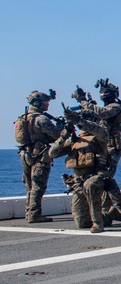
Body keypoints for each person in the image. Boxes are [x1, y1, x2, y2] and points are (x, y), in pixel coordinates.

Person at [76, 79, 121, 225]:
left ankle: (115, 208)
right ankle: (110, 209)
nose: (103, 94)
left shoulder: (116, 107)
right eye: (101, 92)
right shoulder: (110, 106)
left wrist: (84, 102)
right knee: (103, 177)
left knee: (105, 177)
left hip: (112, 146)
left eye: (106, 92)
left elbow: (102, 113)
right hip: (104, 145)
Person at [48, 107, 111, 233]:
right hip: (78, 181)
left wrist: (79, 120)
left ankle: (98, 224)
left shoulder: (101, 136)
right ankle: (110, 216)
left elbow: (96, 129)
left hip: (96, 178)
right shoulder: (74, 141)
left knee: (90, 185)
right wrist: (64, 135)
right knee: (82, 223)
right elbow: (53, 153)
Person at [14, 89, 65, 223]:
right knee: (38, 185)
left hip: (25, 154)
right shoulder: (41, 119)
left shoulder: (22, 118)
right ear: (37, 103)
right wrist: (61, 127)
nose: (47, 105)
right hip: (39, 154)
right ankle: (34, 215)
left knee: (29, 185)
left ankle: (29, 212)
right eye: (45, 102)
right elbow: (56, 135)